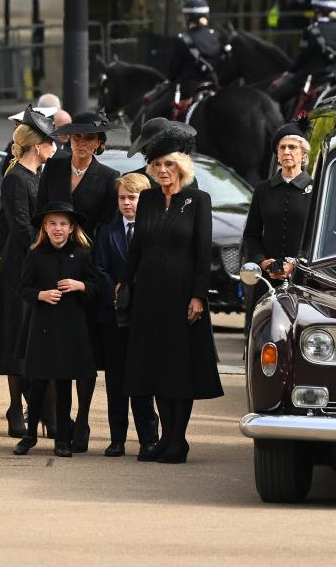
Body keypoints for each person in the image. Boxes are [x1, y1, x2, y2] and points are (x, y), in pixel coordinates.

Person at [118, 119, 224, 464]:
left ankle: (178, 439)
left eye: (168, 164)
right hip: (148, 294)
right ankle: (163, 438)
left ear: (181, 166)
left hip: (182, 297)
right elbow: (135, 250)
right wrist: (124, 282)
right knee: (155, 368)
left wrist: (198, 296)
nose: (162, 171)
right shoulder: (146, 200)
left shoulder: (198, 200)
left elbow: (202, 252)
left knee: (179, 369)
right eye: (157, 165)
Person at [38, 110, 122, 449]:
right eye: (76, 138)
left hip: (87, 265)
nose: (81, 144)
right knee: (56, 349)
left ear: (99, 143)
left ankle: (84, 420)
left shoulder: (109, 176)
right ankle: (61, 421)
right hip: (52, 261)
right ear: (68, 139)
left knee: (85, 351)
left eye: (88, 139)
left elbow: (109, 226)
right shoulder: (54, 167)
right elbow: (41, 212)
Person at [0, 107, 58, 437]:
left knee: (36, 339)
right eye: (50, 142)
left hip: (35, 264)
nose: (54, 148)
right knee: (16, 337)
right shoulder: (16, 178)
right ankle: (15, 407)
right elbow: (21, 227)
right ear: (37, 146)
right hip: (19, 268)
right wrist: (48, 250)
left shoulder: (37, 176)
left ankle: (40, 408)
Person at [12, 202, 100, 457]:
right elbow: (23, 288)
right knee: (38, 383)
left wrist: (79, 285)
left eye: (63, 224)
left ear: (71, 228)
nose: (58, 229)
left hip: (71, 329)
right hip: (43, 330)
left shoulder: (82, 253)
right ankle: (29, 436)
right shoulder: (36, 254)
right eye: (53, 224)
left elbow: (96, 287)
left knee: (63, 385)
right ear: (45, 227)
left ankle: (62, 439)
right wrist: (40, 294)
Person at [95, 173, 160, 459]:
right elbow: (100, 269)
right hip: (114, 316)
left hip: (145, 314)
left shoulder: (154, 231)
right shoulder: (106, 232)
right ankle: (117, 438)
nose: (126, 203)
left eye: (132, 198)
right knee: (116, 381)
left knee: (143, 380)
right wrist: (118, 294)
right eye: (122, 198)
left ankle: (148, 438)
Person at [241, 118, 314, 329]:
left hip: (302, 277)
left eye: (293, 147)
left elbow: (319, 235)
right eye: (282, 147)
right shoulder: (263, 189)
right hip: (266, 279)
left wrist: (296, 264)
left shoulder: (315, 190)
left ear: (304, 155)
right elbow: (251, 235)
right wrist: (263, 262)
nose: (287, 152)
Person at [142, 0, 224, 124]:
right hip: (214, 85)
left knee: (153, 111)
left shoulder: (183, 39)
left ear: (188, 17)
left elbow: (173, 71)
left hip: (188, 88)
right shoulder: (215, 37)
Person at [267, 0, 336, 114]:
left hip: (314, 75)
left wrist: (288, 72)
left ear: (317, 10)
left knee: (274, 95)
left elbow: (304, 57)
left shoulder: (311, 30)